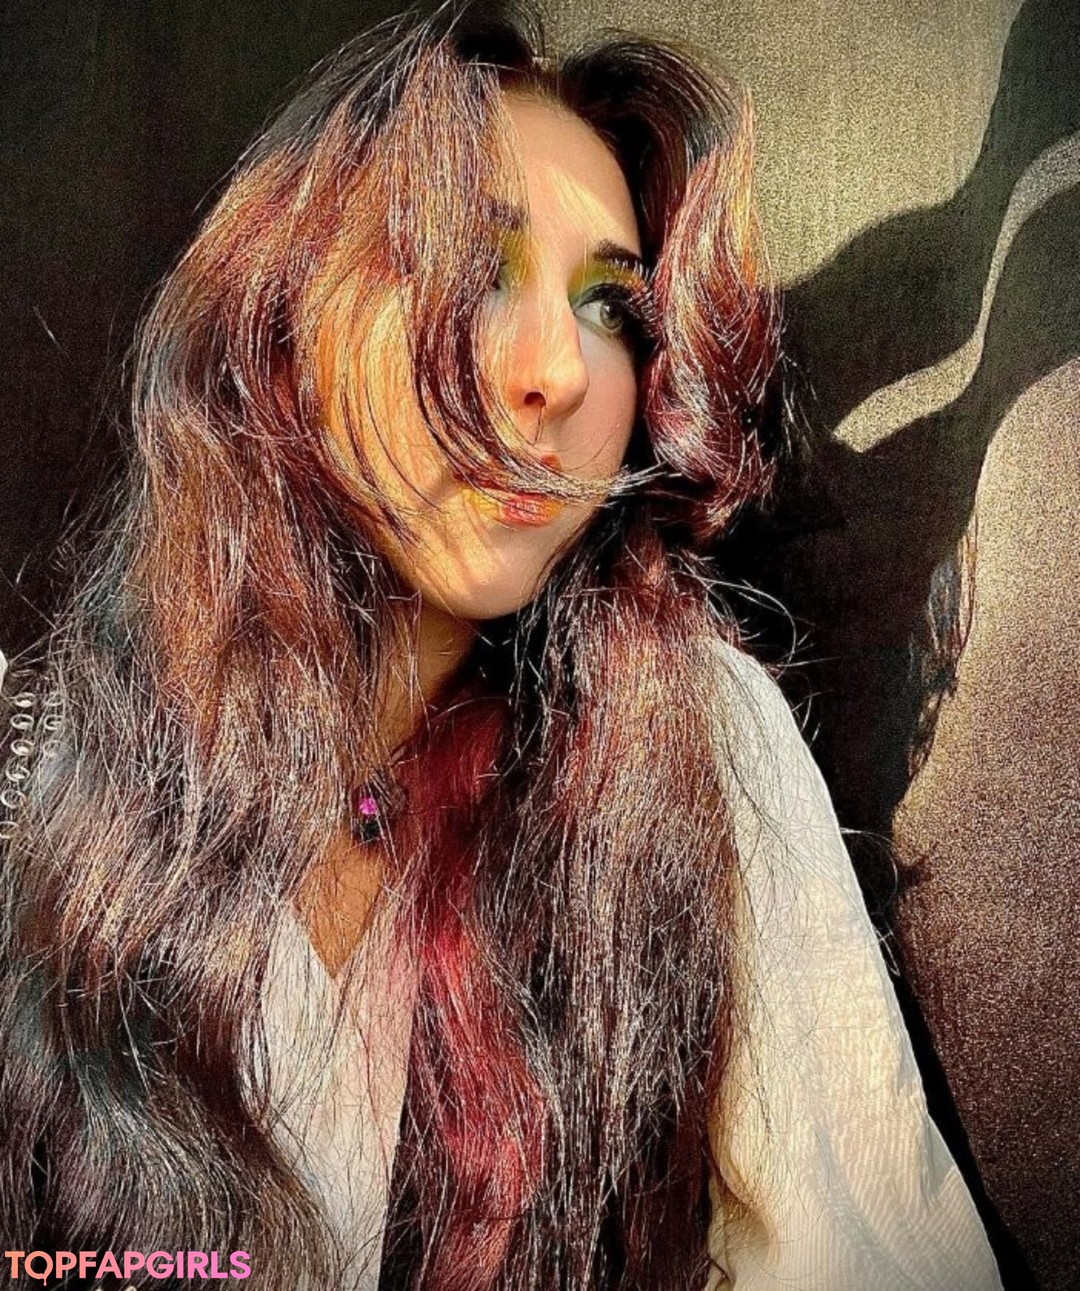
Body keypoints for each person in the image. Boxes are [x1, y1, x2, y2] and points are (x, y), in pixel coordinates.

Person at [0, 5, 1002, 1288]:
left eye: (611, 306)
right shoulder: (42, 775)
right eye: (477, 268)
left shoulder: (688, 741)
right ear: (283, 319)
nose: (559, 374)